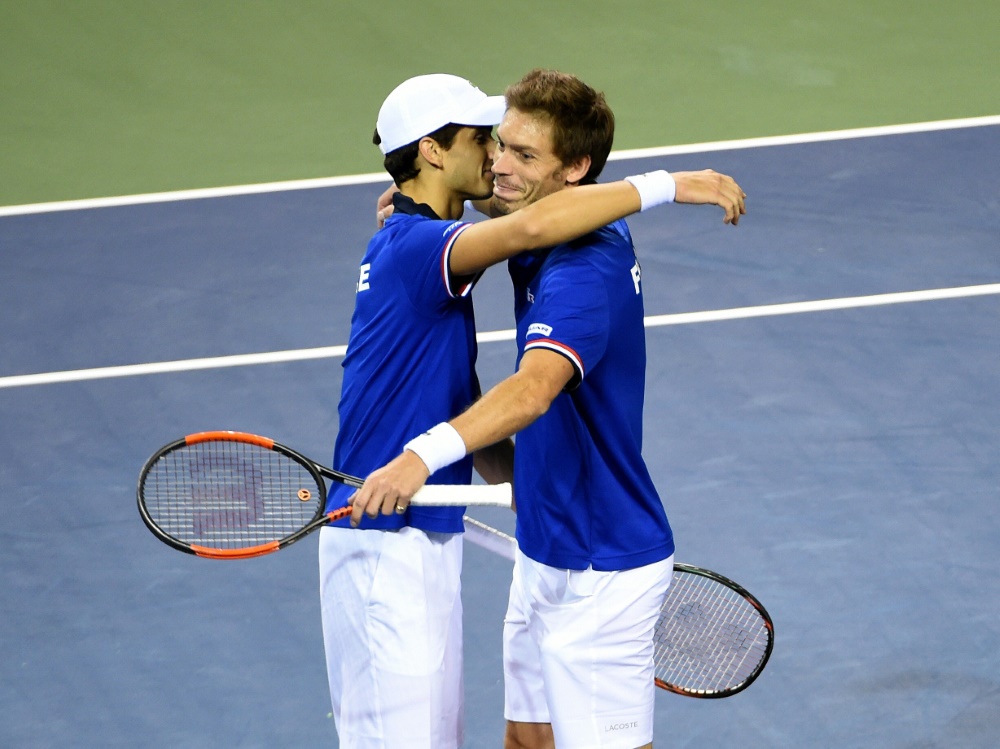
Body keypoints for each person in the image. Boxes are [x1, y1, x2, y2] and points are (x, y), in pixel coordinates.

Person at [322, 71, 742, 749]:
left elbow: (532, 390)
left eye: (521, 154)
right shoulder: (514, 221)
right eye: (497, 145)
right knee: (525, 741)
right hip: (546, 551)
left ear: (575, 170)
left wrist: (419, 456)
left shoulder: (581, 268)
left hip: (600, 566)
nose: (499, 164)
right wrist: (412, 214)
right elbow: (520, 218)